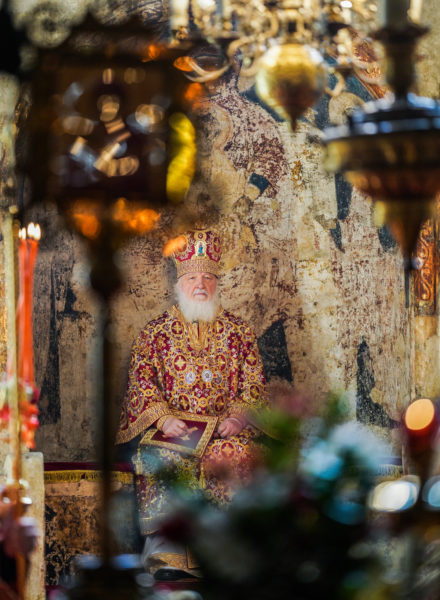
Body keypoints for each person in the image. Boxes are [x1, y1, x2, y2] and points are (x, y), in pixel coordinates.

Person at [116, 228, 268, 576]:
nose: (201, 285)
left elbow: (253, 385)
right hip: (174, 432)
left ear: (217, 283)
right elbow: (141, 383)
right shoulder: (154, 333)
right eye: (192, 278)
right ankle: (168, 559)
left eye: (208, 278)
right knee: (165, 458)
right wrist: (163, 420)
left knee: (233, 455)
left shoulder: (239, 332)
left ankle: (225, 556)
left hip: (225, 432)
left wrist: (238, 418)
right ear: (179, 283)